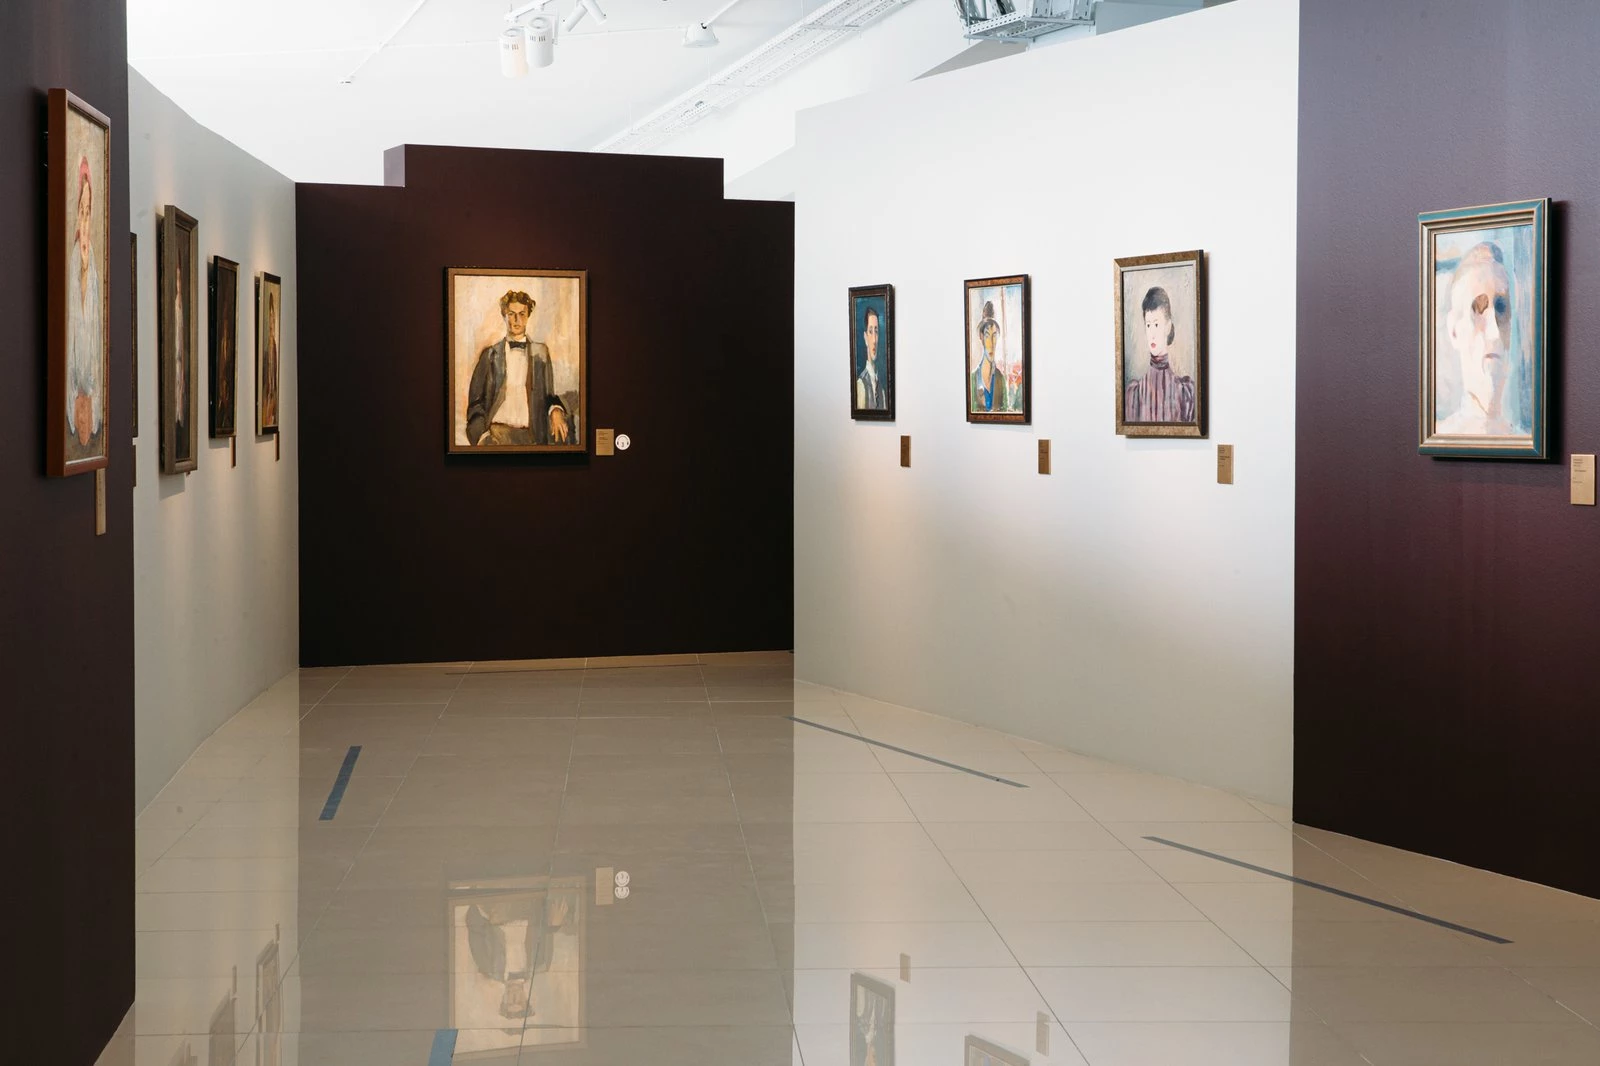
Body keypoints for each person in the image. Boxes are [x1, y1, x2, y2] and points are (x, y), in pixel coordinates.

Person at [466, 290, 572, 446]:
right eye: (511, 314)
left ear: (528, 316)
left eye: (522, 314)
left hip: (532, 437)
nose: (517, 320)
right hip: (495, 436)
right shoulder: (489, 355)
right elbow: (475, 405)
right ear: (504, 315)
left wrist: (556, 409)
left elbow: (549, 396)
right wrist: (482, 436)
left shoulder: (541, 354)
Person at [1436, 241, 1518, 436]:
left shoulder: (1523, 439)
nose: (1494, 332)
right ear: (1454, 331)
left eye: (1501, 307)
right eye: (1478, 308)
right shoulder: (1440, 436)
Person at [66, 155, 103, 452]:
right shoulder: (71, 264)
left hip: (88, 374)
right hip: (75, 375)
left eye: (89, 212)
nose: (86, 218)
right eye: (82, 211)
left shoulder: (95, 273)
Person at [1124, 285, 1195, 423]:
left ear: (1167, 327)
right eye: (1148, 325)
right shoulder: (1135, 394)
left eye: (1156, 325)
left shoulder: (1185, 393)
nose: (1152, 334)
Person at [970, 300, 1009, 413]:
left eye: (994, 336)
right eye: (987, 336)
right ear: (981, 337)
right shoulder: (973, 379)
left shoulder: (1000, 379)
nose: (991, 343)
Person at [854, 304, 886, 410]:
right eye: (870, 332)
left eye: (876, 332)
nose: (874, 340)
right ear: (865, 337)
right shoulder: (860, 385)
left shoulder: (882, 391)